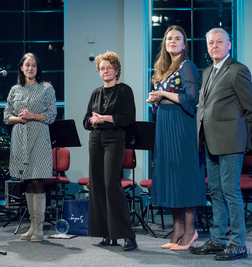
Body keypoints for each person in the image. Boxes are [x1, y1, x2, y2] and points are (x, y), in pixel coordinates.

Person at [190, 28, 252, 260]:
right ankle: (217, 240)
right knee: (216, 192)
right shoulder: (208, 71)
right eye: (211, 42)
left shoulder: (238, 70)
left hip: (231, 142)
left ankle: (238, 243)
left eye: (220, 42)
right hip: (210, 141)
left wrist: (241, 135)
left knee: (231, 191)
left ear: (229, 45)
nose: (215, 46)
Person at [146, 25, 206, 250]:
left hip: (182, 129)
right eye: (169, 38)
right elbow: (167, 101)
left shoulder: (187, 65)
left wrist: (163, 94)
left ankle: (190, 232)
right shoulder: (164, 69)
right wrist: (156, 102)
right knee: (171, 179)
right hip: (165, 127)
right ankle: (178, 231)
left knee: (185, 179)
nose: (172, 41)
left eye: (177, 38)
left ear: (184, 43)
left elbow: (192, 99)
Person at [83, 51, 137, 251]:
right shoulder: (96, 92)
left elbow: (128, 117)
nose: (105, 71)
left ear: (116, 70)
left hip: (114, 139)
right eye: (101, 68)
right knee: (96, 185)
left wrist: (105, 118)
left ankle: (128, 236)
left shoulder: (124, 90)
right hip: (96, 139)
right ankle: (107, 234)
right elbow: (86, 119)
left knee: (111, 184)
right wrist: (92, 120)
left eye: (108, 67)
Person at [3, 53, 56, 242]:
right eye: (27, 65)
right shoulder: (15, 89)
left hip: (39, 137)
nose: (30, 68)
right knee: (26, 181)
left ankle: (39, 227)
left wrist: (32, 115)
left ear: (37, 68)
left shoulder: (46, 89)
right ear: (21, 68)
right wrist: (19, 118)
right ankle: (32, 225)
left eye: (34, 65)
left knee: (37, 180)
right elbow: (6, 115)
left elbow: (51, 115)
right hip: (20, 137)